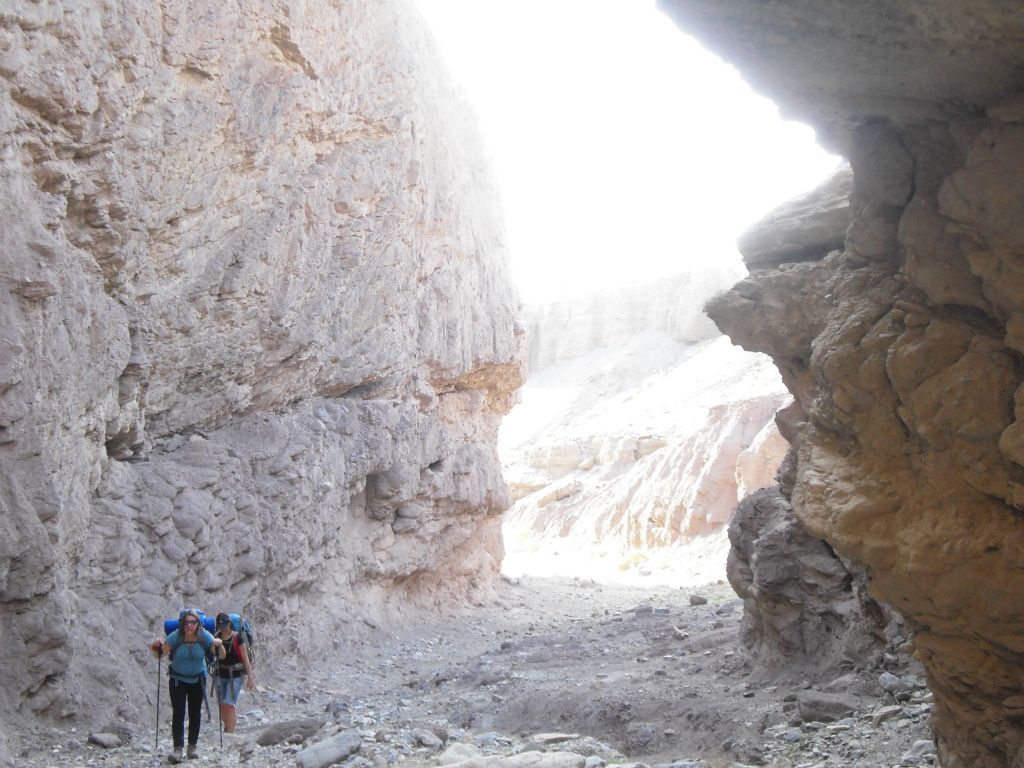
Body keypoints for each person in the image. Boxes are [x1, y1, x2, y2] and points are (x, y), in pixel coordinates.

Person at [150, 610, 222, 763]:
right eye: (187, 622)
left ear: (198, 624)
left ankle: (192, 748)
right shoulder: (176, 636)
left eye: (193, 622)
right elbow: (159, 655)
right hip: (178, 680)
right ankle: (178, 749)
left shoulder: (204, 636)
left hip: (198, 679)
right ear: (183, 624)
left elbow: (220, 655)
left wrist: (219, 645)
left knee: (195, 714)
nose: (190, 625)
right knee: (179, 713)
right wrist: (154, 646)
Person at [212, 612, 255, 733]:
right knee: (222, 704)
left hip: (235, 675)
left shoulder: (237, 638)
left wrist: (250, 677)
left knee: (229, 703)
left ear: (229, 624)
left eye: (225, 625)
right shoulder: (216, 638)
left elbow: (245, 659)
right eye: (221, 626)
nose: (223, 628)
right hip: (221, 674)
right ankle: (227, 727)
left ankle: (230, 732)